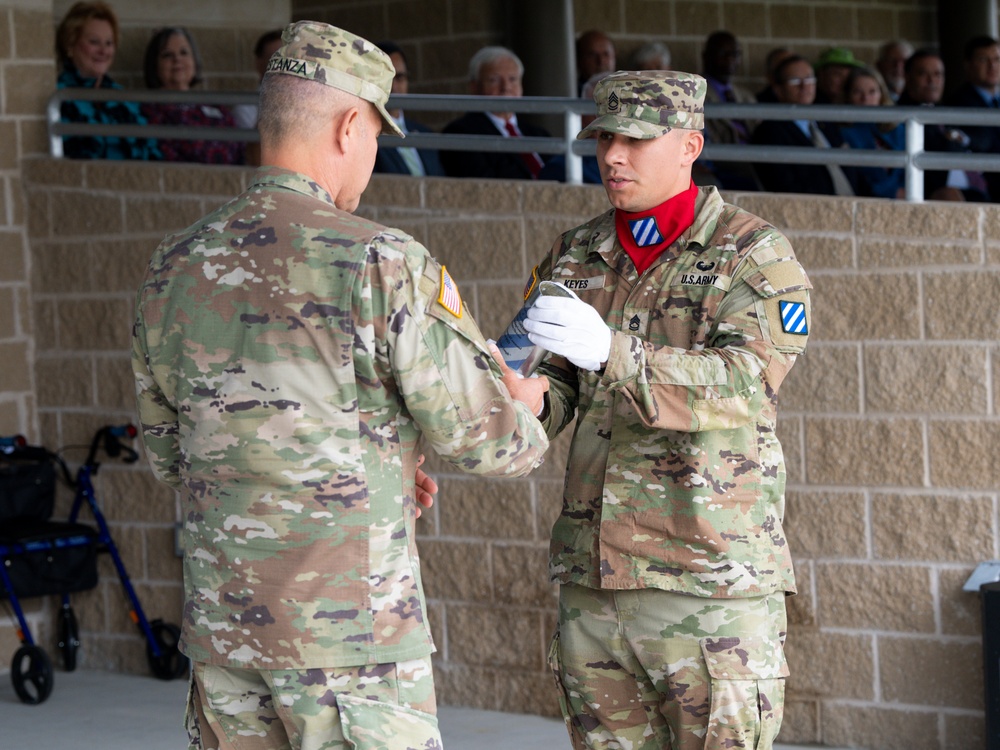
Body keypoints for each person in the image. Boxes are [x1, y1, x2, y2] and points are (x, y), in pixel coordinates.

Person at [130, 21, 550, 749]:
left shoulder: (174, 265)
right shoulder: (379, 260)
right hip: (351, 649)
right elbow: (491, 442)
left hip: (227, 640)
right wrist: (525, 405)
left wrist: (383, 465)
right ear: (351, 125)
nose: (375, 154)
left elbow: (173, 457)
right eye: (378, 135)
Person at [518, 70, 809, 750]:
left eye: (636, 140)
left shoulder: (753, 254)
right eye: (605, 138)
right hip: (596, 585)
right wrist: (521, 397)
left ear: (689, 144)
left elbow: (742, 384)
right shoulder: (577, 253)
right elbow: (555, 387)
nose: (614, 156)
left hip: (707, 586)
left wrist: (614, 351)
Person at [55, 1, 159, 160]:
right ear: (70, 43)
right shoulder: (58, 97)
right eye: (94, 42)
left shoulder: (124, 98)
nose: (103, 51)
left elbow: (151, 149)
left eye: (109, 43)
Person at [751, 55, 855, 195]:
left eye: (809, 79)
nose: (804, 86)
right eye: (795, 80)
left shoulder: (826, 122)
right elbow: (783, 187)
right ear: (778, 90)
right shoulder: (769, 132)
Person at [441, 46, 550, 180]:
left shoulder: (539, 133)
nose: (506, 88)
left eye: (512, 79)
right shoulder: (461, 133)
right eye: (494, 80)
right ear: (474, 87)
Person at [141, 27, 244, 165]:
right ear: (155, 65)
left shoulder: (216, 107)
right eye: (167, 55)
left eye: (184, 52)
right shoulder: (148, 111)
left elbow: (241, 150)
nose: (177, 59)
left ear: (194, 61)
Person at [897, 48, 987, 202]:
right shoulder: (901, 115)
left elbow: (981, 141)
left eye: (938, 74)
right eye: (923, 74)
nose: (932, 81)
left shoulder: (946, 110)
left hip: (975, 189)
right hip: (932, 194)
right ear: (907, 76)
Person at [373, 41, 445, 177]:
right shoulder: (365, 138)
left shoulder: (426, 134)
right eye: (387, 78)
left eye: (399, 77)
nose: (393, 87)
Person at [700, 30, 761, 190]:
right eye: (723, 53)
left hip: (755, 159)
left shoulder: (745, 95)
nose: (730, 58)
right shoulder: (695, 92)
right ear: (706, 56)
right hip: (722, 163)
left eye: (735, 53)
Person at [839, 66, 906, 199]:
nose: (865, 98)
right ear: (847, 96)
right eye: (857, 92)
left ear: (881, 94)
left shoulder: (896, 128)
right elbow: (856, 178)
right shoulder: (841, 132)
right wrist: (892, 193)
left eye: (872, 92)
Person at [946, 35, 1000, 201]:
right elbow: (982, 142)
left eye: (997, 59)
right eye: (984, 60)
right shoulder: (959, 101)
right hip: (988, 182)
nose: (992, 66)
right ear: (968, 65)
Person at [538, 72, 606, 184]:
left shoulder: (641, 158)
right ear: (582, 117)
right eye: (599, 111)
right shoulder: (561, 168)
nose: (609, 120)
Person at [232, 28, 283, 167]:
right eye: (275, 59)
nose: (283, 66)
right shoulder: (245, 108)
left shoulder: (309, 102)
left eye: (289, 59)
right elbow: (253, 157)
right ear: (258, 64)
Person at [576, 29, 616, 94]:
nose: (601, 61)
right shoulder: (572, 94)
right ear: (580, 59)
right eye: (593, 55)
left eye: (606, 54)